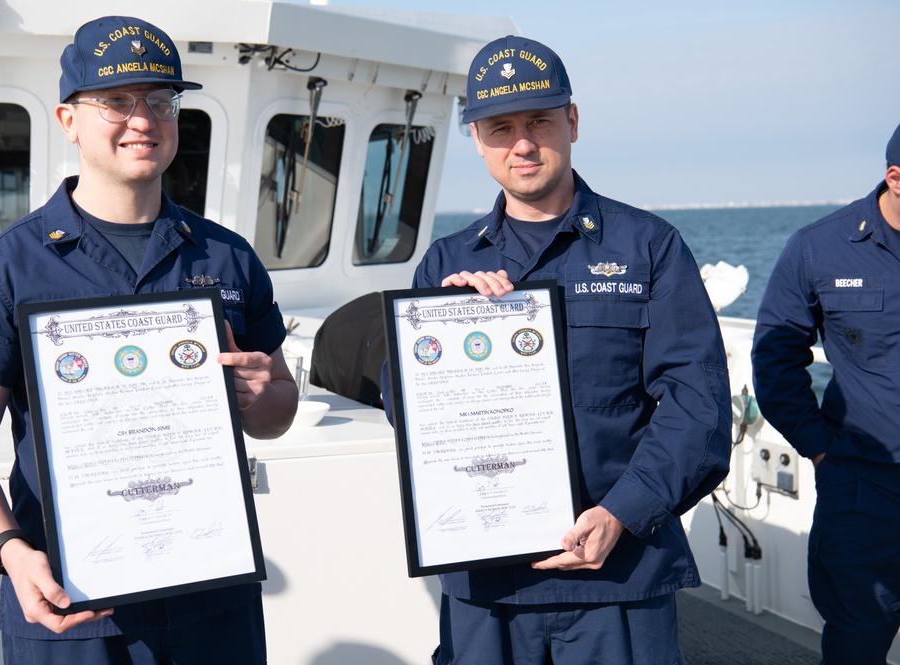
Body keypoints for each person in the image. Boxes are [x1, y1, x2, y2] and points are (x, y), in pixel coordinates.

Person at [0, 15, 297, 664]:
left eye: (161, 101)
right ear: (69, 119)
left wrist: (262, 393)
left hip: (209, 598)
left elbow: (277, 412)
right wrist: (10, 551)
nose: (143, 119)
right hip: (74, 608)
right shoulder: (3, 272)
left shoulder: (228, 257)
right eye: (116, 101)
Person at [384, 35, 732, 664]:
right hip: (489, 585)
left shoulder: (650, 246)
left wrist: (623, 513)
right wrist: (443, 326)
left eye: (540, 120)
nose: (522, 143)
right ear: (477, 137)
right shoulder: (446, 262)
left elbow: (697, 404)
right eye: (501, 127)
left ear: (572, 121)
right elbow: (401, 404)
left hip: (619, 579)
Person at [751, 123, 900, 665]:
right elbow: (775, 358)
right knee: (857, 642)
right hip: (864, 484)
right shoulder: (821, 248)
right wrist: (820, 449)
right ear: (895, 178)